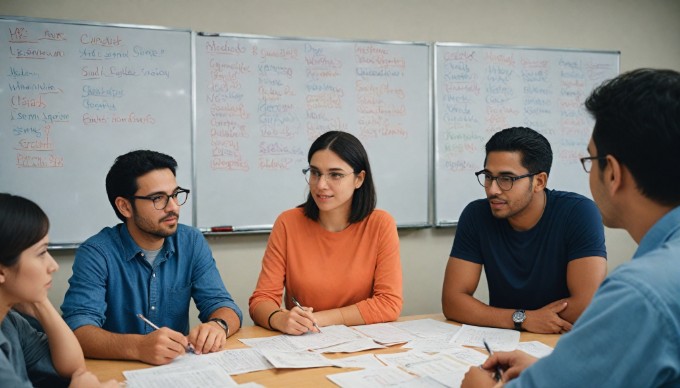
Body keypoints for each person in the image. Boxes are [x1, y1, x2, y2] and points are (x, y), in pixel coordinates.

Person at [462, 68, 680, 387]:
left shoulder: (640, 293)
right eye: (490, 178)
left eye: (590, 160)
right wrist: (553, 368)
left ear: (613, 173)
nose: (494, 189)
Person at [61, 150, 242, 366]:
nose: (173, 207)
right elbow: (78, 329)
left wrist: (218, 325)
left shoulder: (191, 241)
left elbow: (222, 304)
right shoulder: (97, 253)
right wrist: (138, 347)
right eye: (158, 199)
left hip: (176, 370)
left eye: (175, 195)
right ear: (125, 206)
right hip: (117, 372)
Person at [442, 127, 607, 334]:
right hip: (504, 338)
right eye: (488, 176)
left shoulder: (578, 213)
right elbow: (453, 301)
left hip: (564, 338)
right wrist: (523, 319)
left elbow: (586, 306)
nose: (493, 189)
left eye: (506, 179)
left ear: (539, 181)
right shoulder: (476, 215)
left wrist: (519, 319)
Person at [249, 131, 402, 334]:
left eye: (335, 175)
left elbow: (389, 303)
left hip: (363, 344)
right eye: (315, 173)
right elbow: (261, 300)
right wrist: (280, 318)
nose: (321, 185)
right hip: (304, 343)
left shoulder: (380, 224)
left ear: (359, 179)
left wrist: (318, 319)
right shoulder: (288, 222)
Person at [0, 193, 116, 387]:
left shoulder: (9, 322)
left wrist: (40, 302)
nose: (53, 266)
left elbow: (72, 367)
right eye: (41, 253)